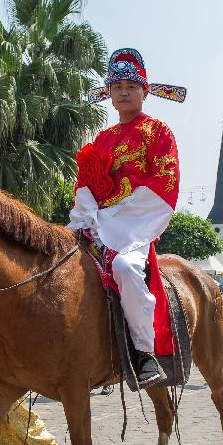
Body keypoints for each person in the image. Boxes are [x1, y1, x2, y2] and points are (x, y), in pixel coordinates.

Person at [68, 48, 184, 388]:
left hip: (134, 228)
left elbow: (164, 186)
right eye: (116, 85)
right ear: (109, 93)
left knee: (125, 268)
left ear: (145, 91)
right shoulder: (102, 140)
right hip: (95, 224)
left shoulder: (158, 132)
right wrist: (87, 220)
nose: (123, 91)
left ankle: (144, 356)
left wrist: (113, 222)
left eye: (130, 85)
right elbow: (85, 184)